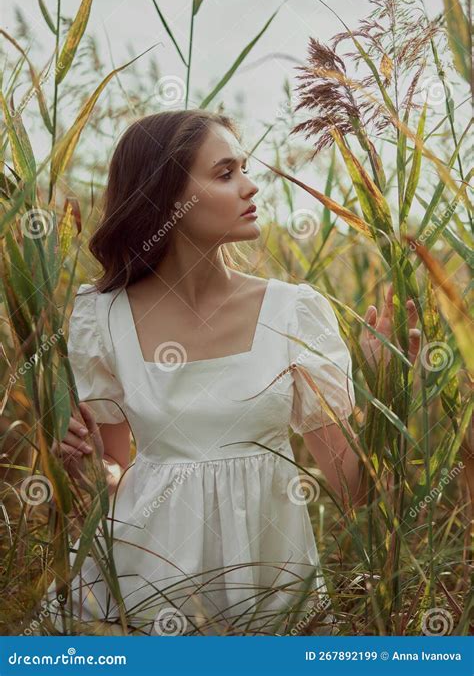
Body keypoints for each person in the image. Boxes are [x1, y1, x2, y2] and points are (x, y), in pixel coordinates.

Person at [46, 110, 420, 636]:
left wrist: (388, 392)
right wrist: (84, 463)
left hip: (268, 584)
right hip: (141, 583)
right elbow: (116, 471)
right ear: (167, 195)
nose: (250, 186)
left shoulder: (294, 312)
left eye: (243, 169)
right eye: (225, 174)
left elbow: (352, 493)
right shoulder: (102, 317)